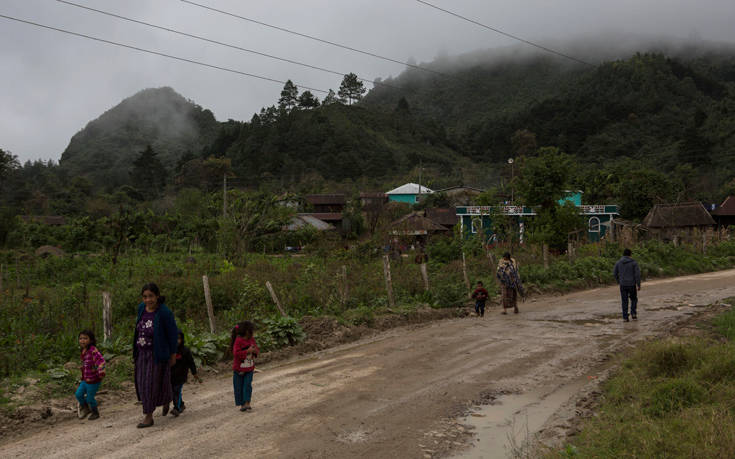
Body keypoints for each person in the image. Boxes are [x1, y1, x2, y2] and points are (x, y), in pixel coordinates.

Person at [133, 283, 178, 428]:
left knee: (149, 385)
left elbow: (172, 334)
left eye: (151, 296)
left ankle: (148, 416)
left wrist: (173, 354)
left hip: (156, 354)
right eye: (145, 297)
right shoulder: (141, 308)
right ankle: (167, 399)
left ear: (157, 296)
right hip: (141, 353)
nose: (148, 300)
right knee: (143, 384)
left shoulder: (164, 312)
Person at [169, 331, 201, 417]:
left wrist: (194, 373)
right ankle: (181, 404)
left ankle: (177, 408)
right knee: (174, 392)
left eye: (178, 339)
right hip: (171, 376)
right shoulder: (170, 351)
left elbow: (191, 362)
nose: (176, 341)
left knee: (177, 390)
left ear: (182, 339)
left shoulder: (185, 351)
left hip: (181, 376)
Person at [75, 330, 105, 421]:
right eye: (80, 338)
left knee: (89, 398)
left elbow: (101, 361)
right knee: (78, 394)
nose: (82, 340)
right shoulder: (83, 350)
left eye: (85, 338)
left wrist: (101, 371)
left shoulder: (93, 350)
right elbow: (87, 362)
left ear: (91, 340)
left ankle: (95, 412)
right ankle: (86, 409)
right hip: (85, 379)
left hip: (94, 380)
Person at [231, 321, 259, 412]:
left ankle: (247, 403)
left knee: (247, 385)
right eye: (251, 330)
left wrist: (255, 351)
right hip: (238, 369)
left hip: (249, 368)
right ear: (247, 331)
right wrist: (247, 351)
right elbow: (236, 353)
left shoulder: (252, 340)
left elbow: (256, 349)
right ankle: (242, 404)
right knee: (238, 387)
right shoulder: (238, 340)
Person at [613, 248, 641, 322]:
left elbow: (614, 273)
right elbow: (637, 274)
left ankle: (625, 317)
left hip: (623, 285)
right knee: (634, 299)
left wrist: (619, 281)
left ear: (623, 254)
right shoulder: (634, 263)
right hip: (632, 285)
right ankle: (633, 314)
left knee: (624, 301)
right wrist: (638, 284)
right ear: (630, 255)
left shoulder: (618, 263)